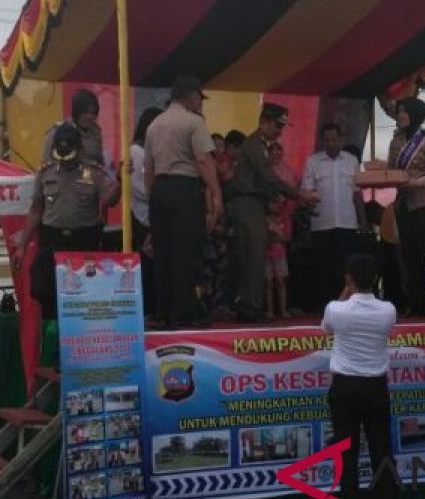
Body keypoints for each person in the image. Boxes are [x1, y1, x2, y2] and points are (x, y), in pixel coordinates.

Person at [17, 122, 119, 321]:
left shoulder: (94, 172)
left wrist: (120, 184)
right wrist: (22, 244)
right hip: (51, 240)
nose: (65, 160)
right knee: (42, 288)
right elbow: (36, 209)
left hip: (83, 242)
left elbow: (109, 200)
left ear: (80, 150)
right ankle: (51, 335)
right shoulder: (45, 173)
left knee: (82, 296)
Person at [144, 76, 223, 328]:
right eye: (200, 97)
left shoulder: (154, 124)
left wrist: (152, 197)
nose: (201, 102)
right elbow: (203, 161)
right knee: (186, 252)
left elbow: (149, 169)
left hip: (159, 190)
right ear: (191, 96)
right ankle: (185, 312)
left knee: (164, 253)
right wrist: (216, 194)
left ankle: (163, 311)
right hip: (184, 188)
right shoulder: (194, 121)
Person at [322, 253, 398, 499]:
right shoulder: (388, 310)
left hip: (346, 387)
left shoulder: (336, 309)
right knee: (381, 448)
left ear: (348, 278)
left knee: (346, 450)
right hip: (376, 386)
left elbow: (326, 327)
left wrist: (346, 290)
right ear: (375, 278)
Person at [229, 104, 317, 322]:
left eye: (282, 126)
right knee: (253, 256)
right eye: (277, 125)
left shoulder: (261, 145)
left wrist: (274, 197)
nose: (280, 131)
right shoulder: (254, 146)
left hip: (255, 204)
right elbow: (268, 177)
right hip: (247, 204)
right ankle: (250, 308)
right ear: (263, 122)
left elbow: (265, 181)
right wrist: (299, 195)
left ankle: (251, 306)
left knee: (255, 256)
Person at [388, 97, 425, 316]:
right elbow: (391, 171)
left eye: (404, 111)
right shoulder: (395, 142)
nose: (400, 115)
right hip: (404, 205)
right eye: (399, 111)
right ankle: (416, 301)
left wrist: (417, 182)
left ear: (415, 114)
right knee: (408, 256)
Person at [303, 123, 367, 305]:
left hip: (347, 223)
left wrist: (363, 219)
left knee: (345, 266)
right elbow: (306, 191)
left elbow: (357, 192)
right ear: (322, 141)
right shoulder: (312, 162)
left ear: (341, 139)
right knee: (323, 267)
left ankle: (346, 304)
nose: (331, 143)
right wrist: (309, 202)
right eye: (327, 140)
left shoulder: (351, 160)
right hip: (321, 224)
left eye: (334, 139)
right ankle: (325, 307)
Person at [130, 107, 162, 312]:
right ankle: (149, 310)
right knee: (147, 267)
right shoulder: (135, 151)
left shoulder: (154, 151)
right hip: (143, 215)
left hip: (158, 212)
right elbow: (139, 187)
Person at [42, 88, 114, 173]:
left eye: (93, 113)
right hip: (66, 181)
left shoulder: (95, 131)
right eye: (86, 112)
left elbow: (100, 162)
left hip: (92, 181)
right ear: (77, 111)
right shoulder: (58, 131)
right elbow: (47, 163)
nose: (90, 117)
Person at [265, 196, 291, 319]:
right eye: (273, 203)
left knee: (281, 282)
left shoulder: (285, 219)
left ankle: (283, 310)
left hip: (280, 254)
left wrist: (273, 237)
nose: (276, 206)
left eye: (279, 203)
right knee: (268, 282)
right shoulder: (263, 219)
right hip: (266, 254)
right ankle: (270, 311)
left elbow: (287, 238)